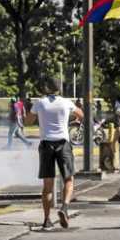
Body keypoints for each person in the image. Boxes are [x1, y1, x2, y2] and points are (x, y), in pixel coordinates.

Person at [27, 77, 83, 230]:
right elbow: (81, 115)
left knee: (47, 185)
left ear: (46, 87)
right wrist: (69, 121)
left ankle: (46, 220)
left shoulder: (40, 102)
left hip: (46, 145)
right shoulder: (66, 102)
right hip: (63, 144)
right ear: (60, 88)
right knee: (69, 179)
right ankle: (64, 208)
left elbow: (28, 120)